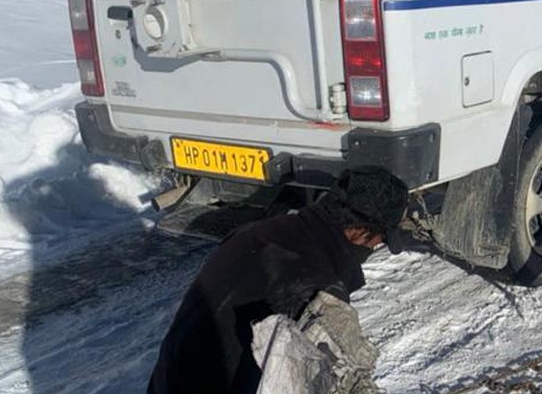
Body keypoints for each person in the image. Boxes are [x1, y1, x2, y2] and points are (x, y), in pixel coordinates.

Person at [148, 167, 410, 394]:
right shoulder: (318, 292)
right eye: (381, 240)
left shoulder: (259, 230)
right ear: (360, 232)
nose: (377, 247)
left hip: (166, 382)